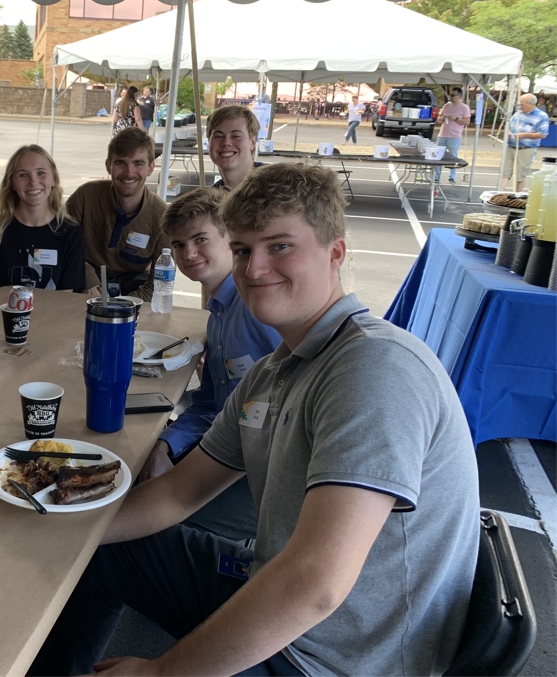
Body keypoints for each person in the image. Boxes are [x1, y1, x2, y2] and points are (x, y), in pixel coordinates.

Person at [30, 162, 479, 677]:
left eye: (279, 246)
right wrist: (59, 529)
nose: (255, 268)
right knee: (102, 550)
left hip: (331, 658)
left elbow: (315, 584)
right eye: (243, 250)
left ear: (336, 253)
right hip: (275, 588)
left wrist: (161, 673)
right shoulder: (272, 373)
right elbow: (177, 493)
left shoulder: (374, 367)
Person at [139, 187, 282, 540]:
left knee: (144, 517)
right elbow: (212, 405)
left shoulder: (258, 309)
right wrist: (167, 444)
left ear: (229, 238)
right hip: (229, 446)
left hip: (263, 476)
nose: (188, 254)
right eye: (178, 244)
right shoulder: (218, 315)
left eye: (200, 240)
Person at [65, 127, 168, 300]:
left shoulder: (162, 216)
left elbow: (160, 283)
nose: (129, 173)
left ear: (150, 168)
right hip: (83, 285)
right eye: (120, 163)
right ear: (108, 166)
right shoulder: (84, 197)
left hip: (133, 293)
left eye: (138, 163)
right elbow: (61, 245)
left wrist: (124, 305)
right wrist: (87, 278)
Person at [0, 145, 85, 294]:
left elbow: (63, 298)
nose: (33, 182)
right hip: (1, 310)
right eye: (23, 175)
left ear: (54, 179)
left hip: (53, 310)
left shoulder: (70, 232)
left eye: (41, 173)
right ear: (12, 183)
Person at [501, 93, 550, 191]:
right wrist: (508, 132)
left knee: (520, 176)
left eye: (522, 104)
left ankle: (517, 195)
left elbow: (543, 134)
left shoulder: (541, 116)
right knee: (504, 173)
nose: (520, 106)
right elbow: (509, 126)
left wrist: (524, 135)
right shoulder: (518, 113)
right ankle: (499, 193)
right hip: (510, 146)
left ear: (530, 104)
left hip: (525, 149)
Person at [207, 104, 261, 190]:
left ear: (253, 142)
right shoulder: (211, 196)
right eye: (218, 136)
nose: (226, 143)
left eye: (236, 136)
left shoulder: (279, 185)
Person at [435, 88, 471, 183]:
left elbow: (467, 122)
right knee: (438, 156)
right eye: (450, 95)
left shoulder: (464, 107)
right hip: (442, 135)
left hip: (454, 136)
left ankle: (452, 177)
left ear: (459, 96)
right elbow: (438, 119)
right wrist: (443, 118)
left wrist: (456, 118)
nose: (450, 97)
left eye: (452, 95)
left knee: (453, 157)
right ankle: (436, 176)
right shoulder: (446, 106)